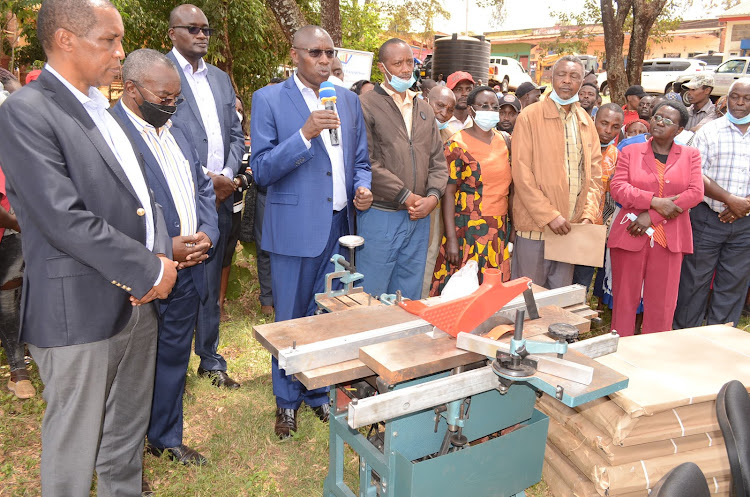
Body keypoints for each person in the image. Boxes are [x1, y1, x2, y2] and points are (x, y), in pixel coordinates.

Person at [0, 0, 179, 494]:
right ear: (65, 40)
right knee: (74, 454)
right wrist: (148, 269)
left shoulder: (103, 107)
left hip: (136, 302)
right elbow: (62, 218)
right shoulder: (27, 111)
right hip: (77, 311)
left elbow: (144, 199)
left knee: (124, 440)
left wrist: (159, 257)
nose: (121, 52)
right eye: (109, 40)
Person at [250, 25, 372, 439]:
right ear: (295, 55)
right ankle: (286, 402)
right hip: (294, 228)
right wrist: (305, 133)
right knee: (291, 320)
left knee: (327, 316)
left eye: (329, 52)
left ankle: (318, 393)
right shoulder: (268, 99)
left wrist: (362, 187)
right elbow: (262, 169)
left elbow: (360, 160)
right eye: (315, 53)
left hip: (340, 225)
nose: (324, 60)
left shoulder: (350, 100)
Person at [113, 48, 219, 467]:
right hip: (141, 273)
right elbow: (109, 211)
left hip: (190, 268)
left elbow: (203, 186)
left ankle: (164, 436)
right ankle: (123, 458)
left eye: (177, 98)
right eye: (164, 97)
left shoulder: (177, 129)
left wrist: (208, 232)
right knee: (130, 370)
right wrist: (159, 250)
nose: (172, 105)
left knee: (175, 354)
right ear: (132, 89)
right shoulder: (109, 131)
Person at [166, 4, 244, 389]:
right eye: (192, 28)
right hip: (180, 198)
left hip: (221, 196)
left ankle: (210, 359)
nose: (201, 35)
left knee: (211, 282)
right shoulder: (157, 74)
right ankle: (170, 366)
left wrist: (226, 177)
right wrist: (204, 181)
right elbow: (157, 137)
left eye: (206, 30)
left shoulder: (219, 79)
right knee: (179, 283)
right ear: (172, 34)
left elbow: (234, 132)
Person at [358, 38, 448, 300]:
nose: (406, 69)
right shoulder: (366, 105)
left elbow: (437, 161)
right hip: (382, 215)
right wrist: (406, 196)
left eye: (410, 62)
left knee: (408, 294)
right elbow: (366, 162)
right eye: (398, 63)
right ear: (382, 68)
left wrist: (432, 198)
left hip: (419, 217)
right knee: (372, 293)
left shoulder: (424, 108)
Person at [608, 101, 703, 336]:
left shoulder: (690, 155)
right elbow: (618, 187)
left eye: (668, 120)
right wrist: (654, 201)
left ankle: (655, 356)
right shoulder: (630, 151)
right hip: (631, 231)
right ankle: (620, 352)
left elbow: (695, 193)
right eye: (658, 117)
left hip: (668, 240)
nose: (660, 122)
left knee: (662, 304)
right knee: (624, 301)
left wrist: (651, 216)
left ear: (680, 130)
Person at [511, 55, 603, 289]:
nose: (566, 81)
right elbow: (521, 174)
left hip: (569, 229)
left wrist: (588, 214)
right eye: (561, 75)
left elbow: (594, 176)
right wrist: (549, 215)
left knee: (558, 304)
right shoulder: (529, 116)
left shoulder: (585, 120)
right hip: (536, 227)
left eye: (574, 76)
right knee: (528, 298)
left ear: (582, 83)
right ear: (551, 78)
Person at [674, 78, 750, 329]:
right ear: (726, 99)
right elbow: (694, 174)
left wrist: (744, 205)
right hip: (707, 219)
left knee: (733, 284)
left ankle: (721, 342)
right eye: (735, 96)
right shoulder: (709, 131)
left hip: (745, 225)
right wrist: (730, 200)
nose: (740, 102)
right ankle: (685, 337)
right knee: (693, 283)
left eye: (746, 98)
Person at [431, 86, 512, 295]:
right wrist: (451, 239)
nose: (490, 110)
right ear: (471, 109)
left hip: (498, 229)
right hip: (466, 231)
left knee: (491, 294)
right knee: (462, 292)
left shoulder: (504, 140)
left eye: (495, 106)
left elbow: (510, 189)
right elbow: (448, 193)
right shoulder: (456, 144)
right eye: (484, 106)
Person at [0, 75, 34, 400]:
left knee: (16, 286)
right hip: (12, 220)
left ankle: (20, 363)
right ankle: (16, 364)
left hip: (19, 220)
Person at [572, 103, 624, 291]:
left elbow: (613, 196)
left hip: (594, 227)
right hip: (565, 222)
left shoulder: (616, 157)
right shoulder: (575, 146)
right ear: (594, 120)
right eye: (604, 123)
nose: (608, 130)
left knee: (582, 282)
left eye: (615, 127)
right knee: (559, 277)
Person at [421, 85, 456, 298]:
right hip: (405, 206)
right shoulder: (410, 127)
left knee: (429, 261)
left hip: (435, 211)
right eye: (440, 106)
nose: (444, 113)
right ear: (426, 100)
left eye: (450, 109)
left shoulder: (452, 137)